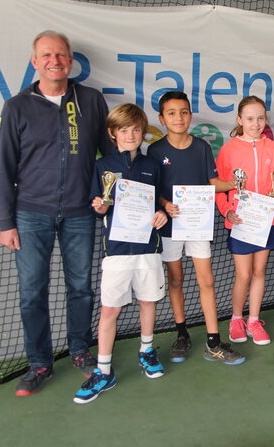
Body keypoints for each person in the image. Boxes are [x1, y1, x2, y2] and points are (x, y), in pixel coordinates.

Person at [0, 30, 112, 396]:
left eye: (60, 55)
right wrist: (6, 222)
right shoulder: (17, 106)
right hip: (31, 214)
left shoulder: (91, 100)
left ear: (70, 61)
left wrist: (106, 197)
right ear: (35, 61)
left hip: (80, 212)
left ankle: (80, 351)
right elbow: (4, 167)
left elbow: (108, 157)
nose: (54, 61)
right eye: (46, 55)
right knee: (32, 291)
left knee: (81, 288)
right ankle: (39, 363)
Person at [73, 103, 169, 404]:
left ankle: (146, 351)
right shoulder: (102, 166)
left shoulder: (152, 166)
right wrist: (100, 206)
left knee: (148, 301)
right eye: (124, 130)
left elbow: (160, 202)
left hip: (148, 248)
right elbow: (98, 208)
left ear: (143, 133)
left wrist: (162, 214)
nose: (131, 135)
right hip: (116, 251)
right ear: (113, 133)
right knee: (109, 310)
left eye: (136, 130)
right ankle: (103, 371)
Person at [146, 91, 245, 365]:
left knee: (207, 281)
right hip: (169, 228)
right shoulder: (155, 151)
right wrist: (165, 204)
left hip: (197, 226)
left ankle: (213, 342)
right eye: (172, 113)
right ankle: (182, 334)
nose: (179, 118)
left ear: (190, 115)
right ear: (162, 118)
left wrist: (235, 184)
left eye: (184, 112)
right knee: (175, 280)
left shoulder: (201, 147)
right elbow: (153, 190)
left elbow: (212, 183)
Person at [215, 96, 274, 346]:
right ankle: (236, 319)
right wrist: (227, 211)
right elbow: (219, 187)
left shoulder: (273, 148)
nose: (256, 124)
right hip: (241, 221)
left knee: (258, 272)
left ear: (266, 120)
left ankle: (254, 321)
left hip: (265, 221)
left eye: (260, 118)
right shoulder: (228, 150)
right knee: (243, 275)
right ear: (239, 120)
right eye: (250, 118)